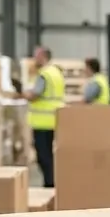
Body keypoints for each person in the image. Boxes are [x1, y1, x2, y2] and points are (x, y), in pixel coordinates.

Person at [22, 46, 65, 187]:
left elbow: (36, 95)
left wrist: (24, 94)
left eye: (37, 56)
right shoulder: (56, 72)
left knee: (43, 156)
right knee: (49, 155)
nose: (35, 59)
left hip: (42, 122)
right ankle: (52, 182)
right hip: (54, 119)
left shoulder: (44, 74)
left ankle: (49, 183)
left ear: (43, 56)